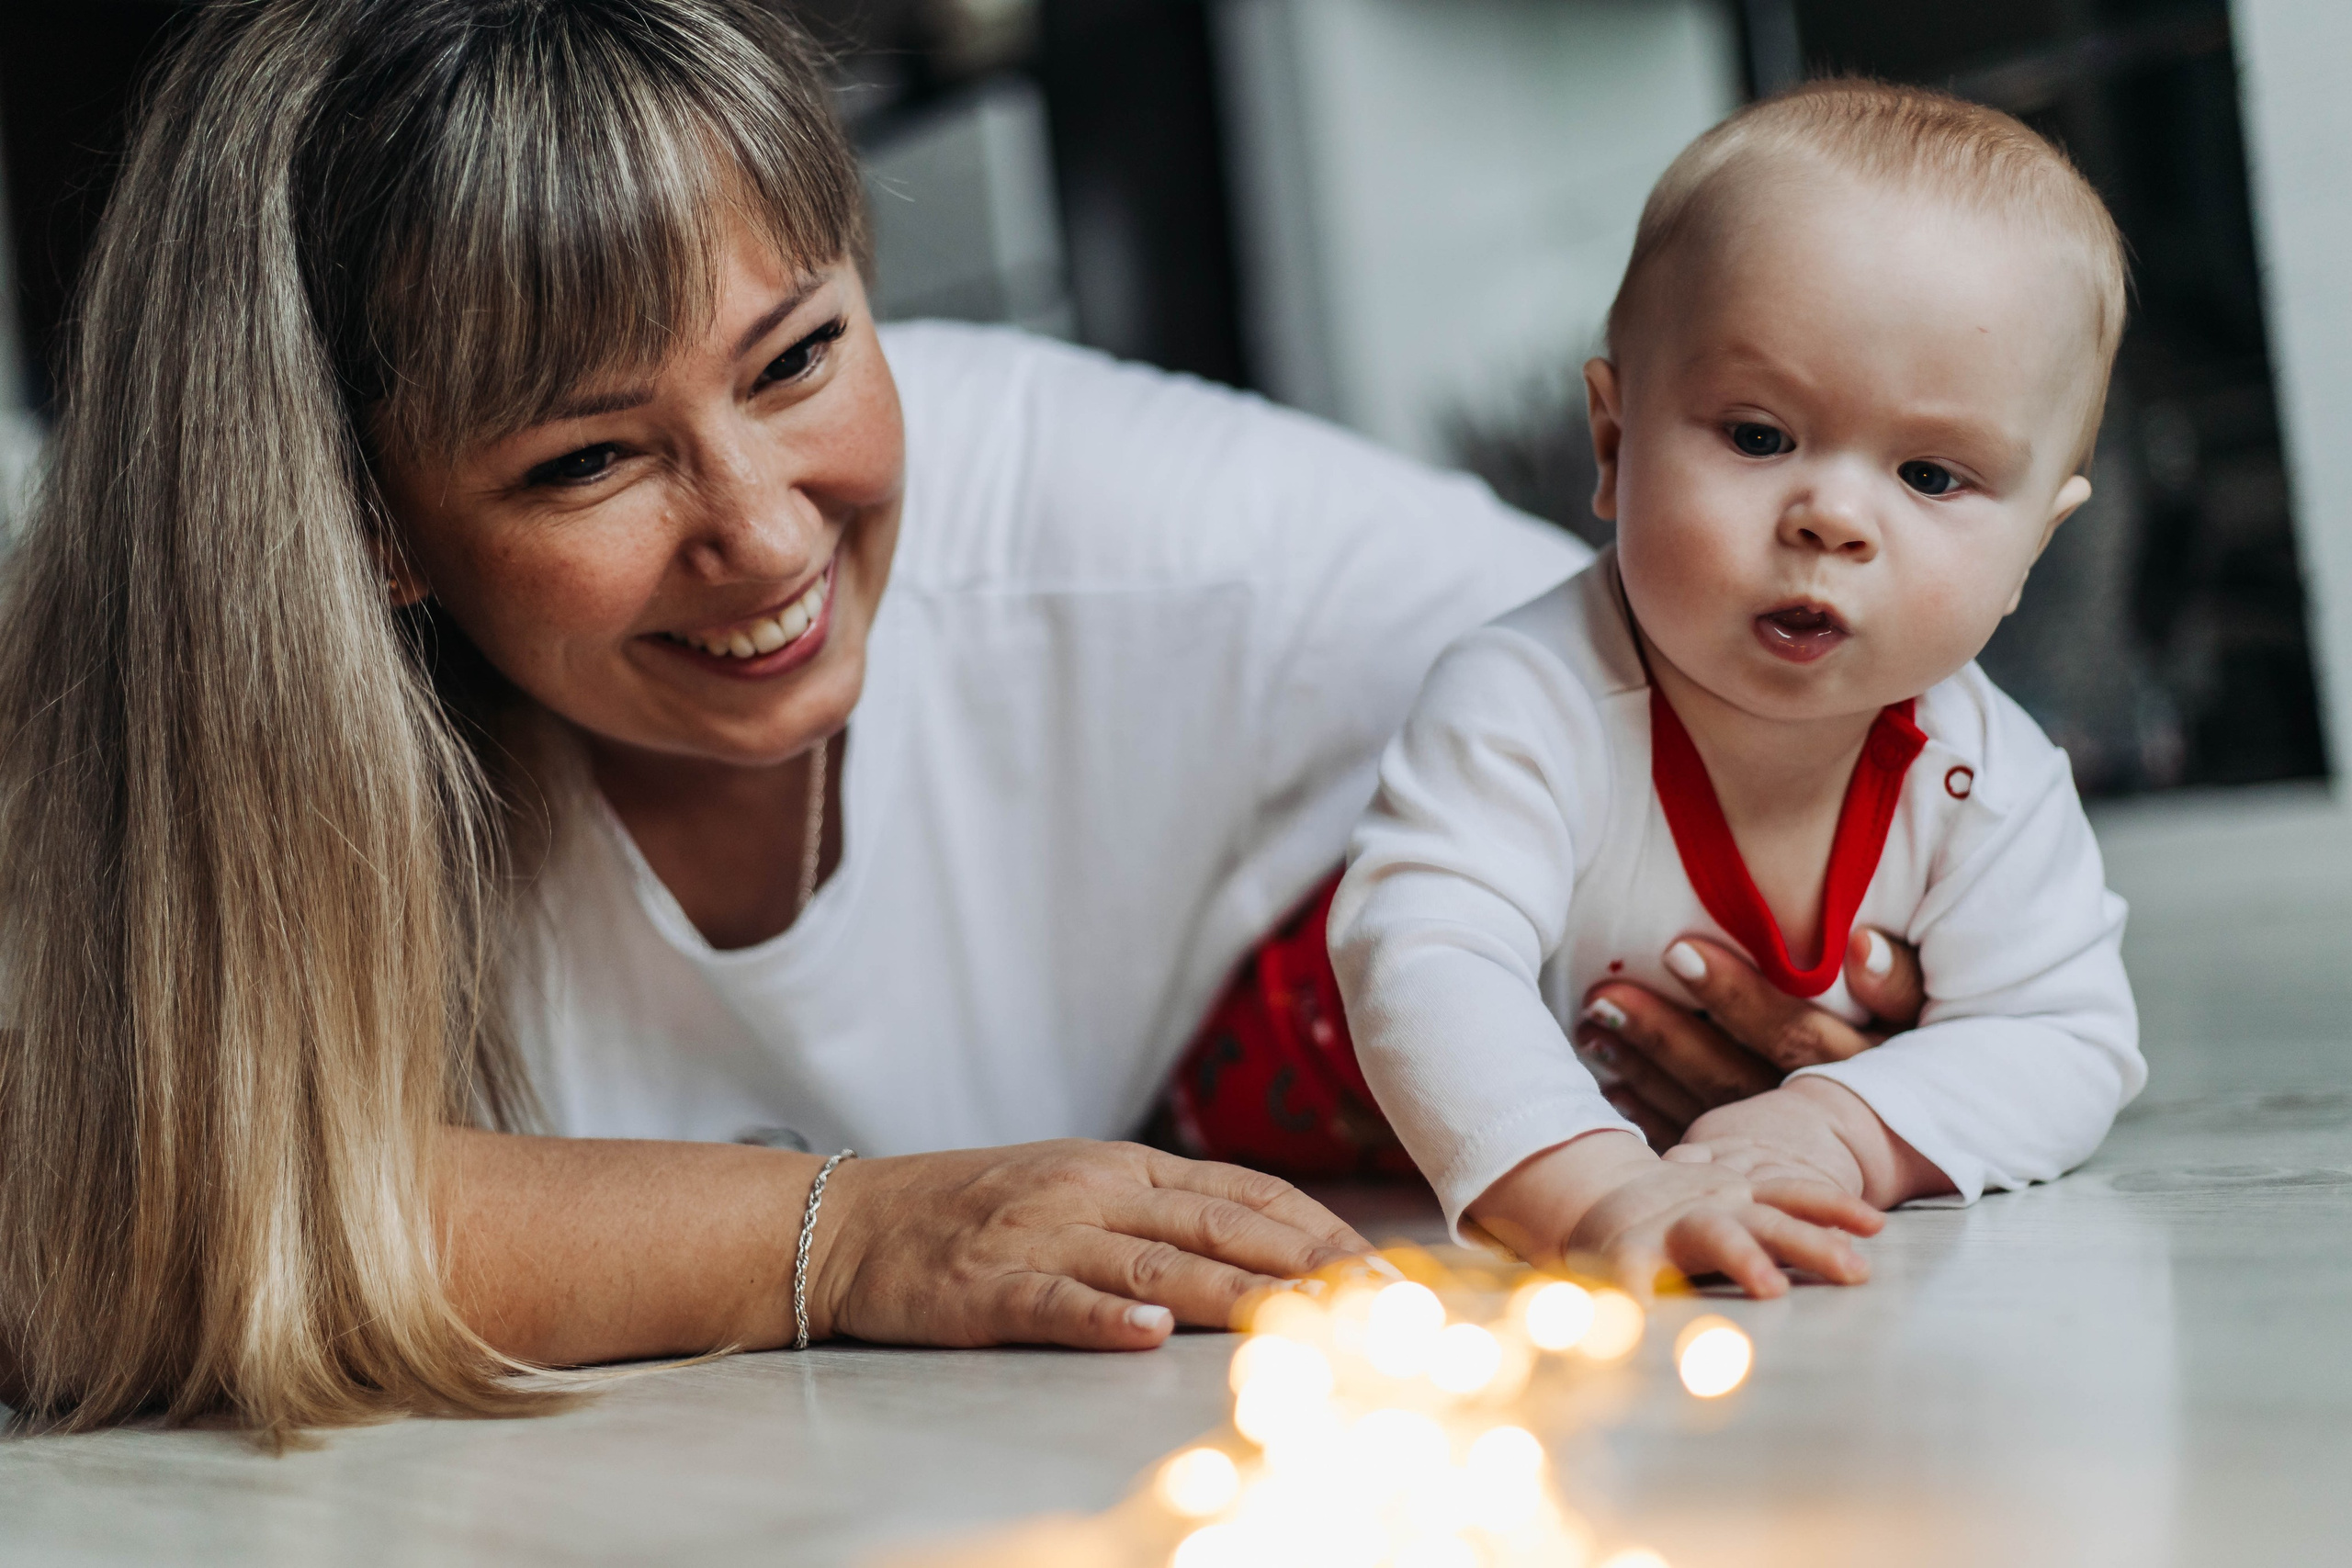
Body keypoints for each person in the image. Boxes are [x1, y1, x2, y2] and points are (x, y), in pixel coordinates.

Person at [0, 0, 1911, 1438]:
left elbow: (1767, 703)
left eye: (800, 354)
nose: (757, 531)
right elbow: (114, 1206)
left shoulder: (1133, 522)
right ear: (366, 520)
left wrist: (1813, 969)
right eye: (587, 457)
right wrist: (847, 1239)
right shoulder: (165, 696)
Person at [1330, 83, 2146, 1296]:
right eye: (1760, 437)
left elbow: (2066, 1035)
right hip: (1334, 1081)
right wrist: (1596, 1191)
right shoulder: (1528, 700)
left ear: (2035, 543)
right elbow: (1425, 953)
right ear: (1613, 446)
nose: (1831, 517)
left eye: (1930, 473)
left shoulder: (1990, 780)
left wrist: (1838, 1124)